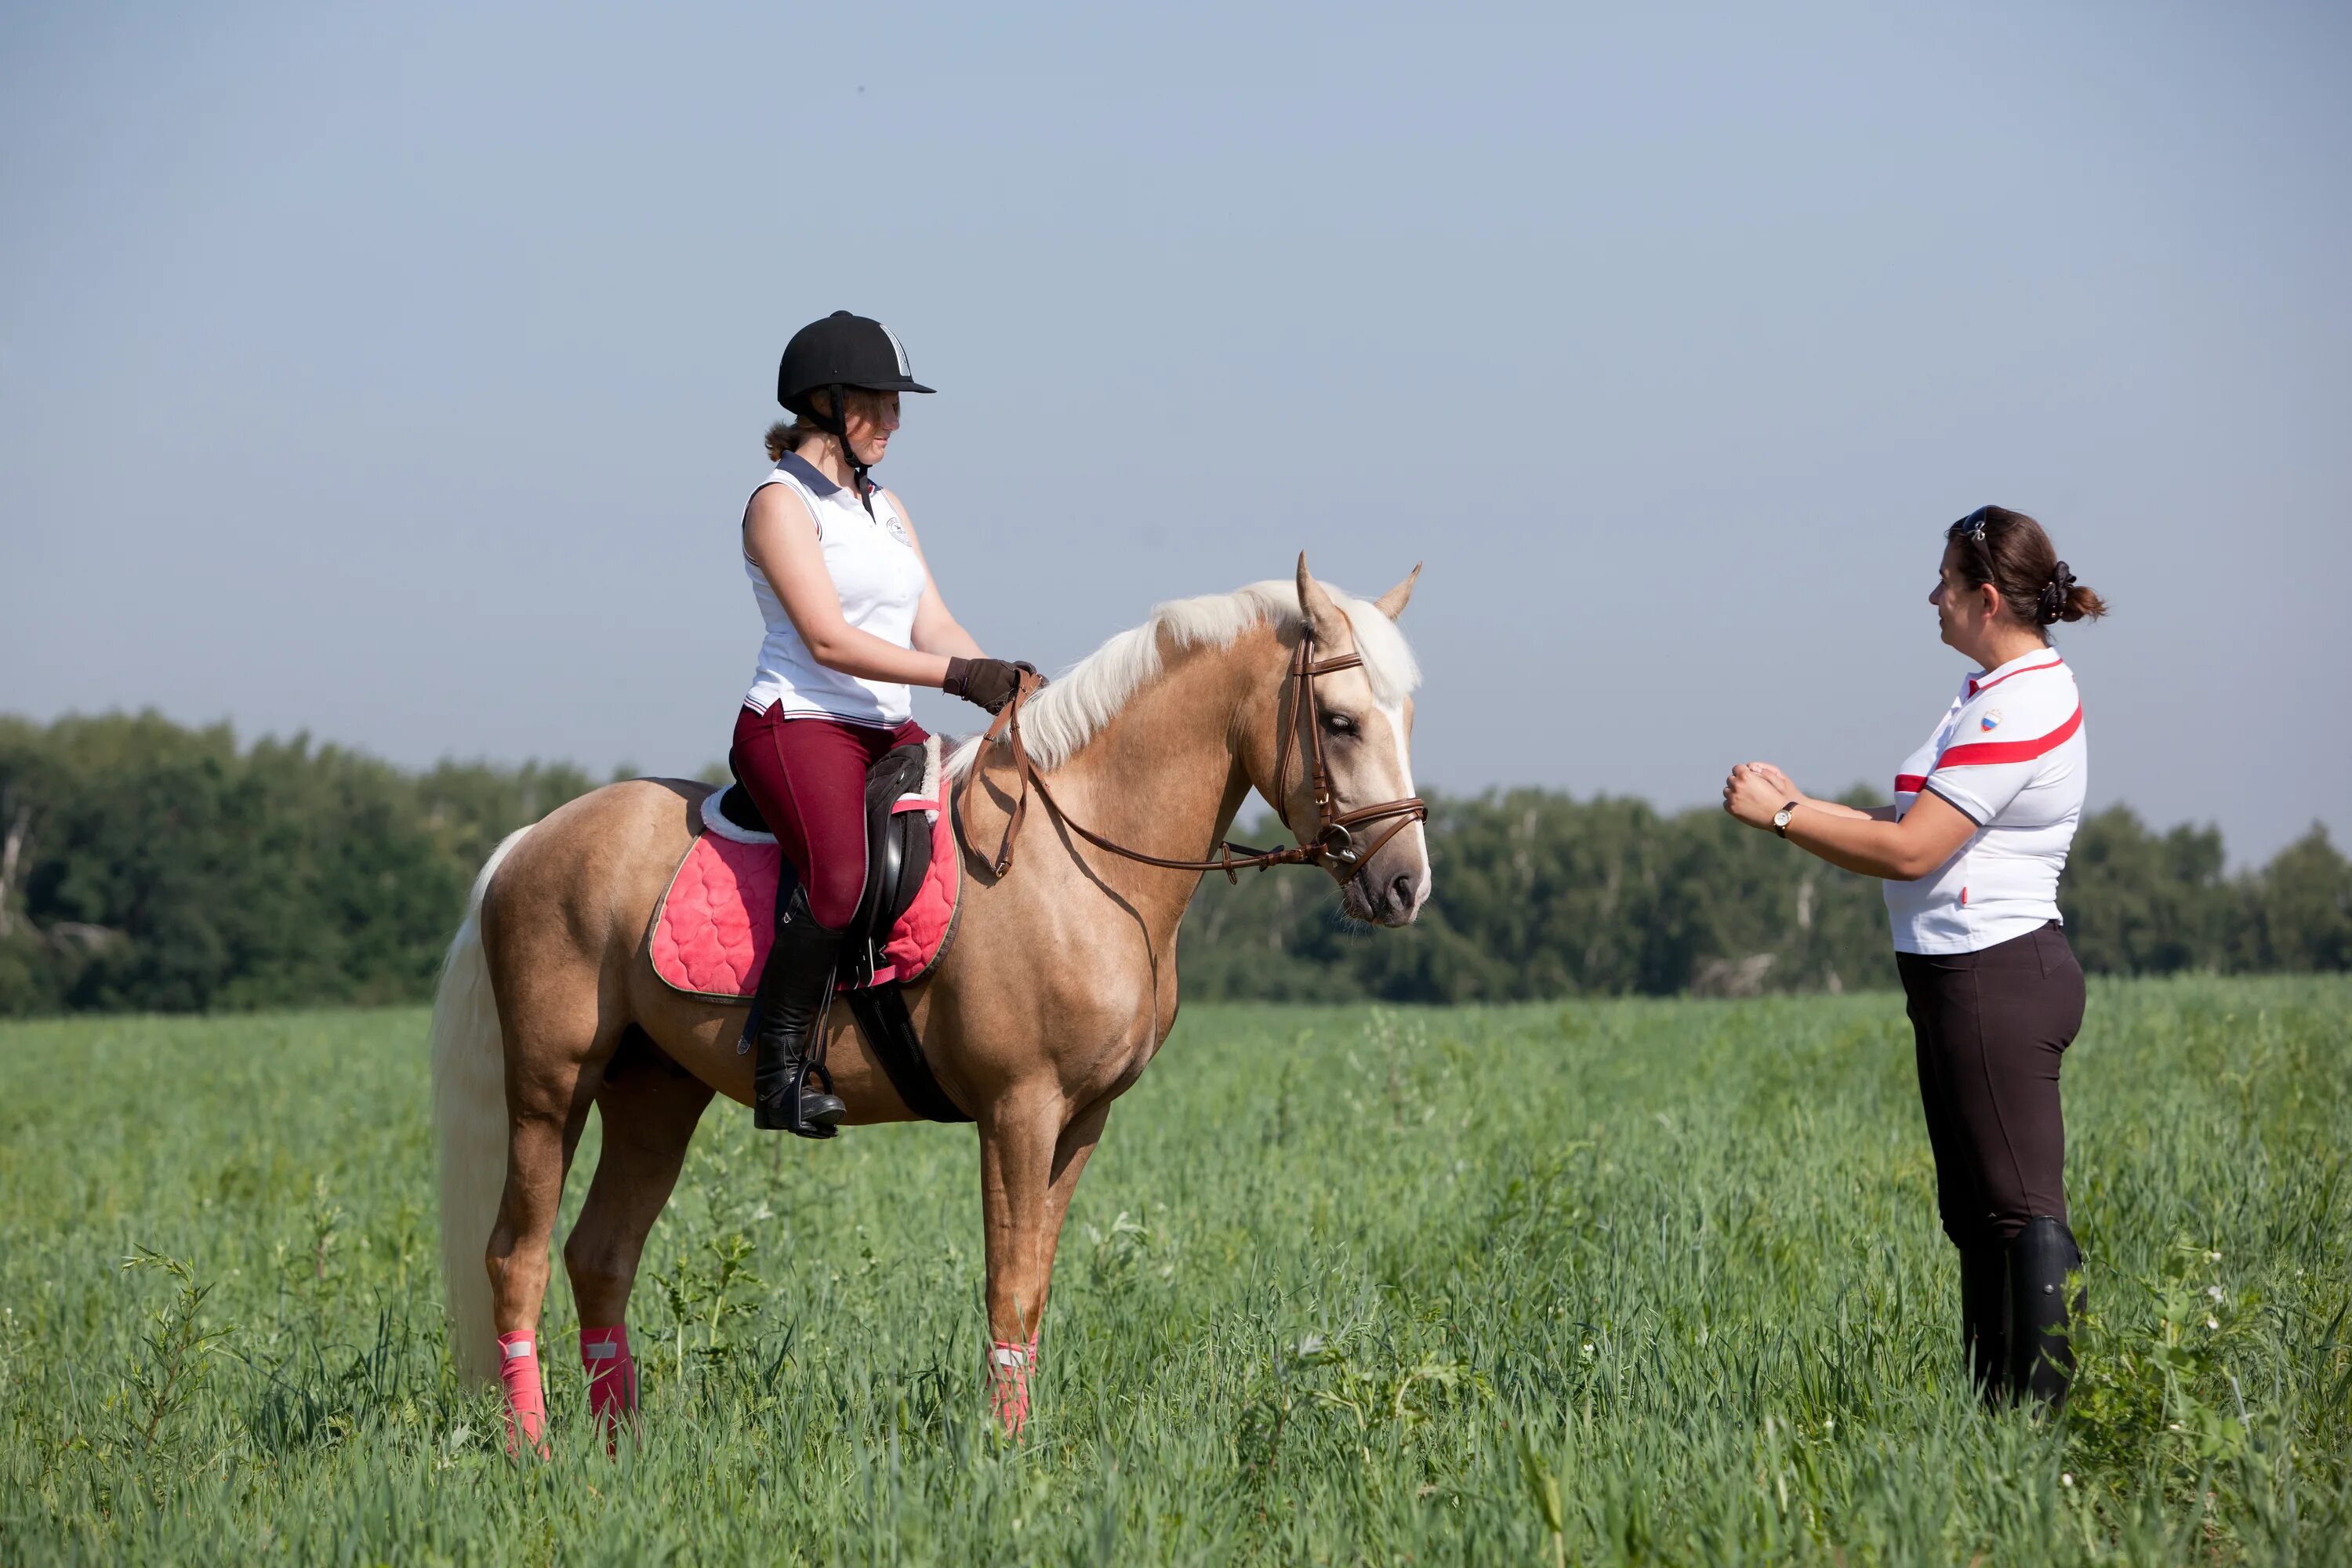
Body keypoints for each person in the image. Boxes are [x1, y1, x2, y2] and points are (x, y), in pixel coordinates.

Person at [1720, 505, 2107, 1406]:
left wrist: (1780, 818)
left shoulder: (2027, 699)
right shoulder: (1988, 695)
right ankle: (1995, 1429)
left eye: (1943, 580)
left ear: (1984, 598)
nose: (1929, 595)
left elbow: (1913, 851)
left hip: (1996, 973)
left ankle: (2044, 1439)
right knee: (1977, 1218)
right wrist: (1806, 803)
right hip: (1958, 975)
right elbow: (1907, 826)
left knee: (2020, 1212)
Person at [731, 310, 1036, 1138]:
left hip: (884, 730)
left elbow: (932, 624)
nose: (896, 421)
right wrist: (955, 677)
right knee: (838, 875)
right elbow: (829, 638)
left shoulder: (886, 507)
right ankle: (781, 1070)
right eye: (881, 402)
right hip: (800, 722)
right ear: (828, 403)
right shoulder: (780, 504)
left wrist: (1003, 690)